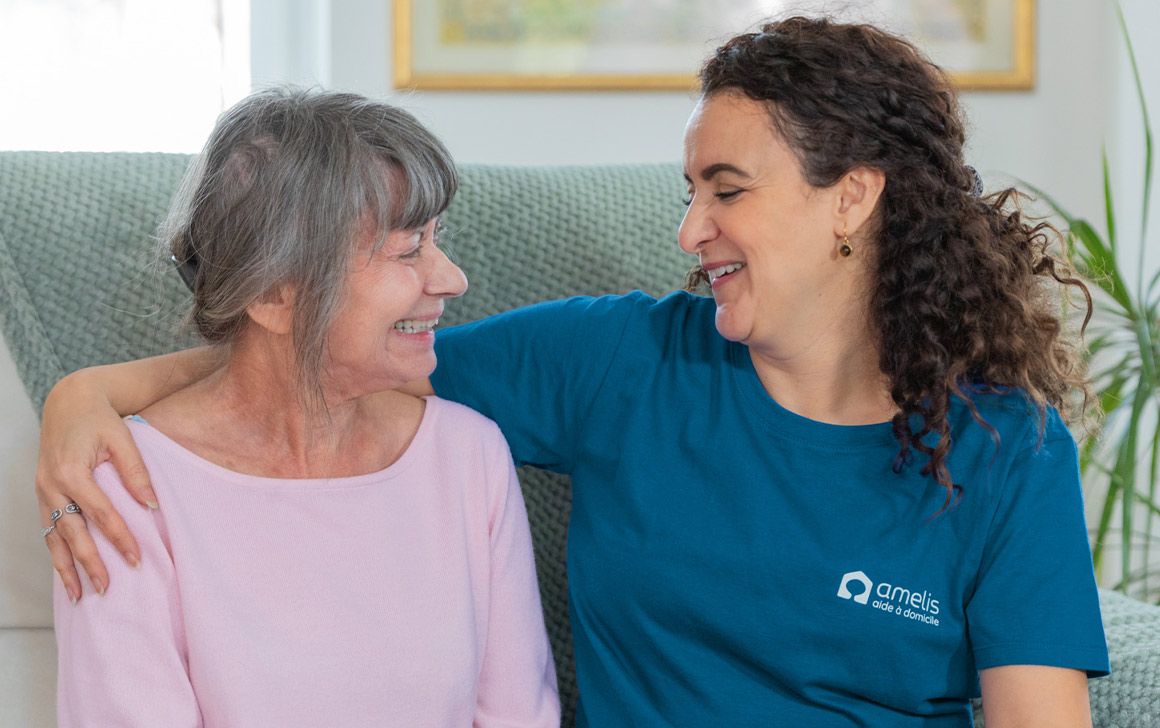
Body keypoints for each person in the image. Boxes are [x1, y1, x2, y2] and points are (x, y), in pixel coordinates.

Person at [35, 17, 1106, 727]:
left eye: (725, 190)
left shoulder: (1003, 450)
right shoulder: (616, 361)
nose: (688, 229)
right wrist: (99, 390)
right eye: (687, 189)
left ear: (850, 200)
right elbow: (332, 351)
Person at [44, 88, 559, 727]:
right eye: (407, 250)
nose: (451, 278)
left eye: (436, 238)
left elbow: (517, 717)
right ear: (275, 295)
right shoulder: (127, 487)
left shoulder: (470, 455)